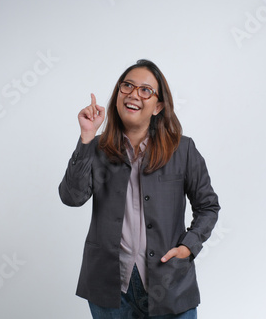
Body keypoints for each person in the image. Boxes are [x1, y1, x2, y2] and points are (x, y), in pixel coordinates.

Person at [59, 59, 220, 318]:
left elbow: (208, 207)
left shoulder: (183, 150)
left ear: (157, 106)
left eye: (145, 90)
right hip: (109, 287)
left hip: (170, 284)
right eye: (127, 86)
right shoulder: (98, 149)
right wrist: (87, 137)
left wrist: (189, 246)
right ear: (117, 95)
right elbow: (72, 197)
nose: (134, 94)